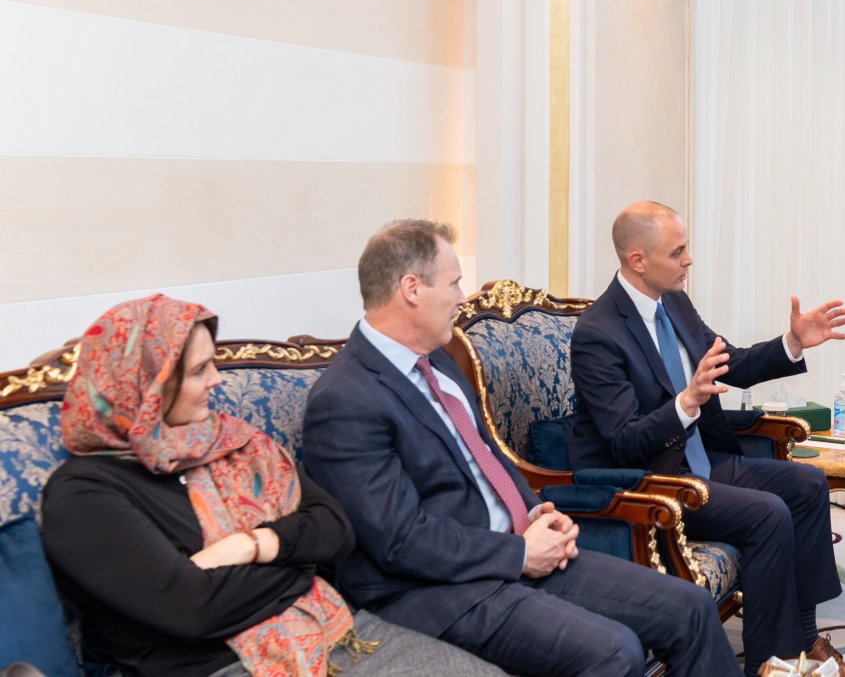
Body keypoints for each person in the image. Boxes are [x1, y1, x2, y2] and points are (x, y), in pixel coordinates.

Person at [301, 219, 740, 677]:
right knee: (614, 651)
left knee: (688, 605)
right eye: (453, 284)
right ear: (412, 288)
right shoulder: (345, 400)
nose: (460, 298)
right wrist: (517, 554)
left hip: (515, 551)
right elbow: (398, 541)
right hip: (438, 588)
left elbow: (488, 456)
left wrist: (536, 512)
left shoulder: (438, 363)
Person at [40, 294, 501, 677]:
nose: (216, 381)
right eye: (199, 371)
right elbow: (194, 610)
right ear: (146, 389)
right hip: (218, 666)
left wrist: (256, 545)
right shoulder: (84, 494)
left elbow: (336, 529)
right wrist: (300, 564)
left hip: (328, 625)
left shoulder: (230, 443)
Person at [569, 201, 845, 677]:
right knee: (768, 513)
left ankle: (802, 640)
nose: (689, 260)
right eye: (678, 251)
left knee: (806, 486)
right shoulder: (597, 332)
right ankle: (769, 662)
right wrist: (686, 402)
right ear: (638, 260)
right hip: (651, 480)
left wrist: (792, 342)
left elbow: (731, 363)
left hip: (698, 459)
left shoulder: (674, 303)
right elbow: (623, 441)